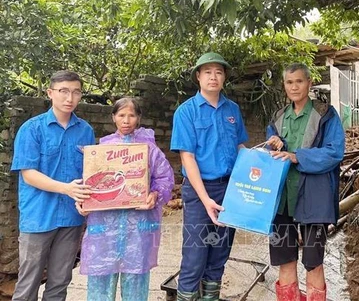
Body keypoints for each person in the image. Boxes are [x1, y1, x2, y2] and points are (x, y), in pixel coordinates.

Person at [76, 97, 174, 300]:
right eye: (121, 115)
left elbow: (165, 178)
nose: (126, 120)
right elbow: (90, 181)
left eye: (131, 115)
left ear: (138, 118)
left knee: (136, 282)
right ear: (114, 118)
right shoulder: (101, 150)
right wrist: (84, 202)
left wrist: (155, 194)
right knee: (100, 282)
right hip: (104, 230)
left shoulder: (149, 150)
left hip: (138, 229)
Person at [10, 70, 95, 300]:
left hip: (71, 217)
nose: (70, 98)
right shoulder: (31, 129)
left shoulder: (86, 131)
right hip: (38, 217)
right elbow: (29, 174)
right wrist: (66, 188)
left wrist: (89, 202)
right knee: (28, 283)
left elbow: (91, 173)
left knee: (60, 282)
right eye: (63, 91)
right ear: (50, 93)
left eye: (76, 92)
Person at [170, 52, 249, 301]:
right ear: (198, 77)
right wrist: (205, 200)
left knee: (219, 254)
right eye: (207, 72)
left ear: (224, 77)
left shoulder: (232, 110)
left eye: (218, 72)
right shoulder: (186, 112)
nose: (213, 77)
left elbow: (241, 150)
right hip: (198, 192)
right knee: (195, 256)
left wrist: (265, 160)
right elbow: (188, 158)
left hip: (229, 191)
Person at [266, 63, 345, 301]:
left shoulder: (325, 114)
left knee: (313, 262)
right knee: (285, 260)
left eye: (299, 81)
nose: (294, 86)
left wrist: (296, 156)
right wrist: (273, 144)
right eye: (289, 82)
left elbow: (334, 152)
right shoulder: (278, 117)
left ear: (309, 83)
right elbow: (270, 155)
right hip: (283, 201)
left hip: (314, 199)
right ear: (284, 86)